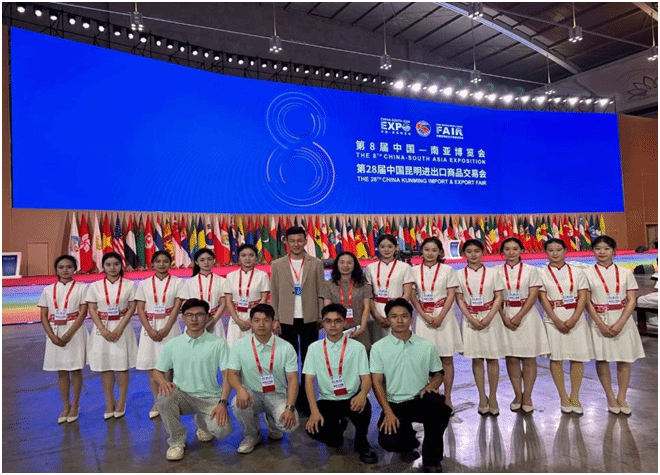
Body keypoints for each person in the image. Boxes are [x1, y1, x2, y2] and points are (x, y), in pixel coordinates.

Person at [371, 298, 451, 473]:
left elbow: (438, 373)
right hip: (395, 404)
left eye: (404, 316)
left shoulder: (426, 345)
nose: (399, 320)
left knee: (439, 407)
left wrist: (431, 385)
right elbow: (376, 382)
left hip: (419, 400)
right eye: (394, 317)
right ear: (388, 319)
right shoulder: (378, 348)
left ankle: (432, 460)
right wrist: (388, 412)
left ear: (411, 318)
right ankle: (408, 440)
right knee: (389, 441)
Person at [154, 298, 233, 461]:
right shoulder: (173, 344)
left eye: (199, 315)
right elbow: (157, 371)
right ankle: (176, 441)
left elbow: (228, 375)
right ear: (183, 317)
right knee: (164, 397)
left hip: (209, 398)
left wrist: (222, 402)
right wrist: (163, 382)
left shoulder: (218, 343)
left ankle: (203, 422)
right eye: (189, 315)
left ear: (207, 317)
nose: (194, 319)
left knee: (222, 431)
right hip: (182, 396)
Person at [303, 304, 378, 464]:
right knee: (321, 434)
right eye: (328, 321)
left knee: (364, 408)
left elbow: (366, 378)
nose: (332, 325)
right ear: (322, 323)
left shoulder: (357, 348)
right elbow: (308, 381)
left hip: (352, 397)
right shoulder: (314, 348)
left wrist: (362, 394)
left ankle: (362, 440)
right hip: (328, 400)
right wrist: (314, 411)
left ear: (344, 322)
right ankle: (338, 427)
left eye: (337, 321)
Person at [584, 236, 645, 415]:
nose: (602, 252)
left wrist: (621, 322)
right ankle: (610, 396)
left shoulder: (625, 272)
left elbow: (632, 300)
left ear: (614, 251)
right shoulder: (586, 273)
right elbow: (586, 302)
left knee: (624, 359)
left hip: (622, 319)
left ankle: (622, 397)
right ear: (593, 251)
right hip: (599, 320)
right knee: (602, 359)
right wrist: (600, 324)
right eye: (598, 248)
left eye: (606, 248)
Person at [227, 303, 300, 454]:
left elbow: (293, 380)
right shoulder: (239, 345)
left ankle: (272, 420)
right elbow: (232, 374)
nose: (261, 324)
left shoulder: (286, 347)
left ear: (273, 323)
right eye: (256, 320)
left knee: (290, 425)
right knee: (237, 404)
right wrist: (240, 389)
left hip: (277, 395)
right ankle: (251, 435)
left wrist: (289, 407)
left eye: (266, 320)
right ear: (251, 322)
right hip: (252, 394)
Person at [270, 226, 325, 414]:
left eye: (299, 240)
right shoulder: (277, 264)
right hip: (286, 318)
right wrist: (275, 318)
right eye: (292, 241)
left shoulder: (315, 263)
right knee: (290, 359)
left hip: (310, 317)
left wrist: (320, 314)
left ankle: (307, 398)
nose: (296, 244)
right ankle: (292, 396)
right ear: (286, 241)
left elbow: (321, 290)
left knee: (308, 359)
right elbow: (274, 293)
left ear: (305, 240)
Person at [537, 238, 593, 414]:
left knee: (577, 357)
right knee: (556, 358)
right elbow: (542, 298)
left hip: (575, 317)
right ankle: (563, 396)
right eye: (551, 250)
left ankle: (575, 396)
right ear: (546, 252)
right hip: (553, 318)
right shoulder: (541, 273)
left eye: (558, 249)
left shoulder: (578, 272)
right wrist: (555, 319)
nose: (555, 253)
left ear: (565, 251)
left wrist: (575, 318)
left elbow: (583, 296)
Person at [496, 237, 549, 413]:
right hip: (505, 314)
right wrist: (504, 317)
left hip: (526, 316)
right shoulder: (496, 271)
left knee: (528, 357)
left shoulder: (531, 270)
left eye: (515, 248)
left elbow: (533, 295)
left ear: (521, 251)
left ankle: (528, 396)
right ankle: (518, 395)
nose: (511, 252)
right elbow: (495, 296)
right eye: (507, 249)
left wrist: (519, 315)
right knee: (511, 357)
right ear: (502, 252)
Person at [455, 239, 507, 416]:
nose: (473, 255)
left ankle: (493, 397)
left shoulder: (493, 273)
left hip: (491, 318)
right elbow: (459, 299)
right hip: (470, 320)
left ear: (482, 252)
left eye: (476, 251)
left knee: (492, 359)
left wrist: (489, 317)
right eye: (469, 251)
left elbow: (499, 296)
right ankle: (481, 397)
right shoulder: (459, 275)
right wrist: (471, 318)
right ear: (464, 254)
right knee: (476, 359)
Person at [410, 237, 462, 412]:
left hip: (444, 317)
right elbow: (412, 296)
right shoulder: (413, 270)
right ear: (421, 251)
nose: (430, 253)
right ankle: (430, 396)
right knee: (424, 360)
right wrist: (423, 314)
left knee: (446, 358)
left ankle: (447, 397)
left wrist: (440, 316)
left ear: (440, 252)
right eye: (426, 250)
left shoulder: (448, 270)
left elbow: (451, 295)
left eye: (434, 250)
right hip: (422, 317)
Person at [86, 252, 138, 420]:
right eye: (108, 264)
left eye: (116, 264)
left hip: (122, 328)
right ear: (103, 266)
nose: (112, 268)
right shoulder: (95, 286)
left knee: (122, 366)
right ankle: (109, 402)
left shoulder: (130, 285)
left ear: (121, 265)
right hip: (102, 329)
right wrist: (102, 329)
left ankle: (122, 401)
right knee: (106, 366)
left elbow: (132, 308)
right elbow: (92, 309)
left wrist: (120, 328)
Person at [38, 254, 88, 424]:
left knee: (76, 370)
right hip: (55, 331)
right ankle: (65, 405)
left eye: (69, 267)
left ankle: (75, 405)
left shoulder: (82, 288)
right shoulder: (48, 290)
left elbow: (83, 313)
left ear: (75, 269)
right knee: (61, 371)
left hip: (74, 331)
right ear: (56, 270)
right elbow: (43, 315)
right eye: (61, 267)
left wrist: (68, 334)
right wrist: (52, 335)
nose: (65, 270)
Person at [135, 250, 184, 419]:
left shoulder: (178, 282)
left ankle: (168, 400)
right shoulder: (144, 284)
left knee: (169, 366)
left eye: (165, 261)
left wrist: (167, 327)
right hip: (150, 326)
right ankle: (157, 401)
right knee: (152, 365)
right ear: (152, 264)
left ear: (170, 263)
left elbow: (177, 307)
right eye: (158, 261)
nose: (161, 264)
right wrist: (149, 329)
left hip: (170, 326)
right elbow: (140, 308)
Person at [365, 234, 414, 344]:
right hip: (376, 311)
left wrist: (395, 314)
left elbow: (407, 294)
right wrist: (376, 315)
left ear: (396, 248)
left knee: (399, 344)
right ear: (378, 248)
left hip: (398, 311)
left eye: (390, 246)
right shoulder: (370, 268)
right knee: (377, 344)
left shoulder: (405, 267)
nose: (386, 250)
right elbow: (368, 295)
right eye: (382, 247)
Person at [320, 252, 372, 350]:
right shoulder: (329, 284)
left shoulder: (363, 284)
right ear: (337, 264)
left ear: (354, 265)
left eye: (349, 263)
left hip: (359, 330)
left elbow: (366, 308)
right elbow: (327, 310)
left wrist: (362, 328)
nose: (345, 266)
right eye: (342, 262)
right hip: (337, 331)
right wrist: (333, 329)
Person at [224, 244, 270, 347]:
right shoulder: (231, 276)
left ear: (256, 257)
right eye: (243, 255)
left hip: (256, 316)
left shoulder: (262, 275)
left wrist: (252, 319)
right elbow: (228, 301)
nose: (247, 258)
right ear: (239, 258)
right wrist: (237, 320)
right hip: (236, 315)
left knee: (254, 347)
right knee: (234, 347)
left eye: (251, 255)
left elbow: (264, 299)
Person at [180, 248, 226, 337]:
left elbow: (223, 304)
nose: (206, 262)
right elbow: (185, 305)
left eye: (209, 259)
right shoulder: (188, 283)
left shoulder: (222, 281)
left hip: (214, 320)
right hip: (194, 321)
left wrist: (213, 321)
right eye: (202, 260)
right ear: (196, 262)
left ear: (214, 261)